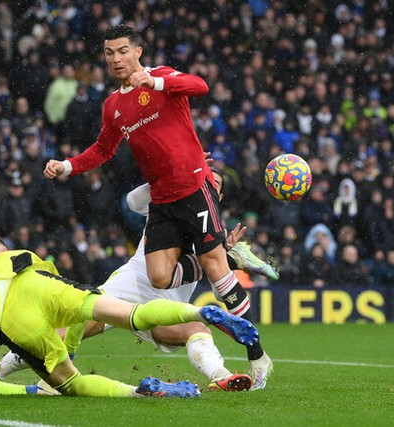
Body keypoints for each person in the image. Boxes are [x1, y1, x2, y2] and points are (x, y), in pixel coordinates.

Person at [44, 25, 270, 386]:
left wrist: (154, 84)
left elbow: (200, 86)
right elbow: (103, 149)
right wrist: (68, 166)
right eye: (109, 53)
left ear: (138, 51)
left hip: (193, 187)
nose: (116, 59)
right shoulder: (113, 105)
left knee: (216, 271)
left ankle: (257, 354)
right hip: (162, 200)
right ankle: (227, 257)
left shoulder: (163, 77)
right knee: (160, 276)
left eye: (122, 51)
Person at [0, 167, 274, 391]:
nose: (206, 184)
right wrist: (171, 171)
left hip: (165, 306)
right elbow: (132, 201)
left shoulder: (212, 233)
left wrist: (224, 257)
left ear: (219, 196)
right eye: (203, 177)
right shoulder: (164, 202)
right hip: (126, 289)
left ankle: (223, 378)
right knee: (66, 333)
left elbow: (219, 284)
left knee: (196, 328)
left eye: (213, 184)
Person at [0, 233, 259, 398]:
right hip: (57, 290)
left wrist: (30, 388)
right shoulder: (18, 256)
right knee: (139, 316)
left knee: (70, 382)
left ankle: (138, 393)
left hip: (24, 323)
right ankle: (203, 312)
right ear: (4, 250)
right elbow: (48, 278)